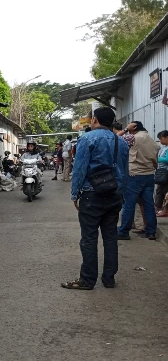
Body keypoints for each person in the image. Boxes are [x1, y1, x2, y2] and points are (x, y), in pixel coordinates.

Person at [62, 107, 128, 290]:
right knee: (110, 237)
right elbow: (124, 172)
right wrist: (121, 195)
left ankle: (87, 280)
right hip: (114, 195)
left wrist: (75, 194)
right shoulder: (121, 142)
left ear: (95, 120)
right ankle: (109, 279)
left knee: (89, 238)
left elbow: (80, 169)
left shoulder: (87, 139)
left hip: (92, 195)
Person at [117, 121, 160, 240]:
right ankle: (151, 232)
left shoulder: (132, 137)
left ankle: (123, 231)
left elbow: (114, 139)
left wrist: (126, 129)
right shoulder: (151, 140)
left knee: (129, 204)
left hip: (134, 175)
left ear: (134, 128)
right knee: (149, 204)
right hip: (149, 174)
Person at [156, 130, 168, 217]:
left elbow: (166, 159)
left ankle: (165, 210)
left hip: (166, 172)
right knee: (159, 190)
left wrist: (156, 159)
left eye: (161, 138)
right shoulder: (164, 147)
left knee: (166, 192)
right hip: (161, 172)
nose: (160, 141)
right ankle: (157, 207)